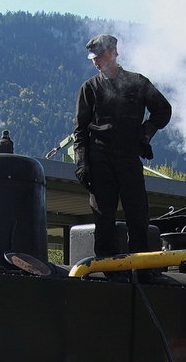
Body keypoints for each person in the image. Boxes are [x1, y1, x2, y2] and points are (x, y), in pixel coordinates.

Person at [73, 33, 172, 258]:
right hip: (100, 157)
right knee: (103, 216)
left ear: (114, 53)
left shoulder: (137, 82)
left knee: (138, 215)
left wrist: (145, 133)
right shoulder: (89, 88)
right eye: (93, 58)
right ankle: (108, 267)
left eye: (100, 55)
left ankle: (141, 267)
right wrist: (82, 163)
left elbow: (163, 110)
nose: (96, 61)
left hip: (128, 155)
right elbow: (80, 130)